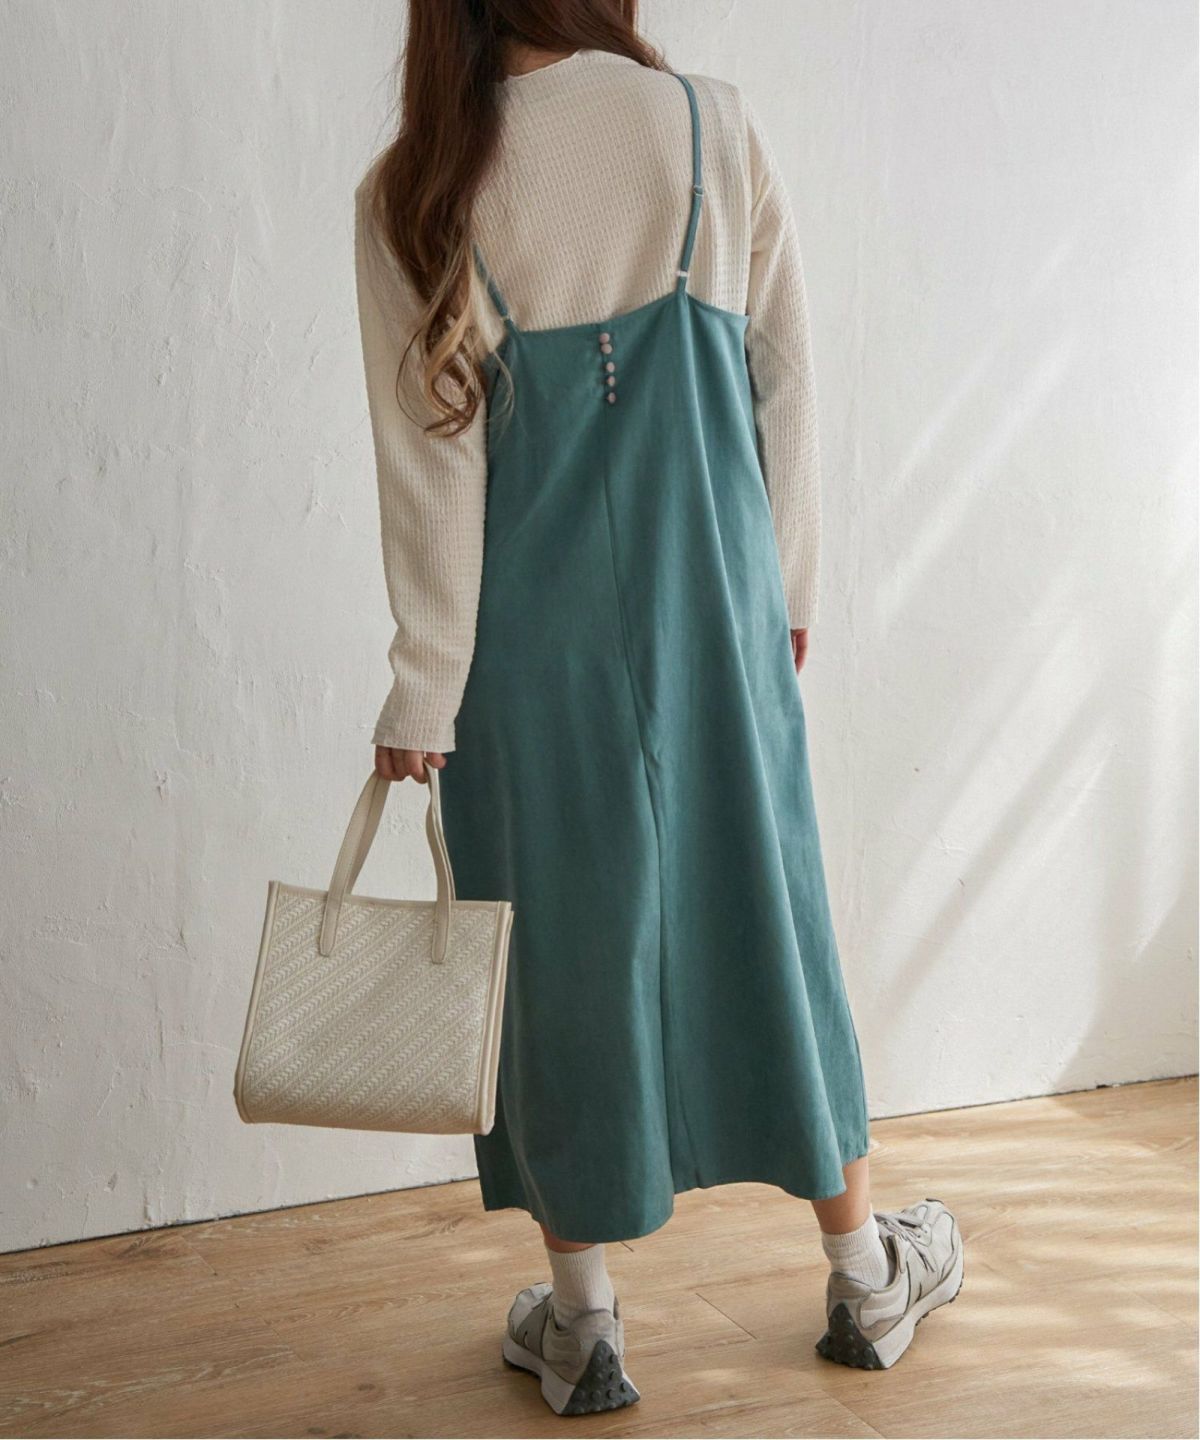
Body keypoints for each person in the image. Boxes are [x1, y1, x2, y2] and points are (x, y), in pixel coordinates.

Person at [354, 0, 963, 1415]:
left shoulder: (415, 190)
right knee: (767, 912)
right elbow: (783, 374)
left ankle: (583, 1326)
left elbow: (431, 464)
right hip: (713, 608)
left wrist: (426, 684)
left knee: (553, 951)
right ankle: (866, 1274)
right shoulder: (704, 121)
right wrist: (784, 587)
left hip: (523, 648)